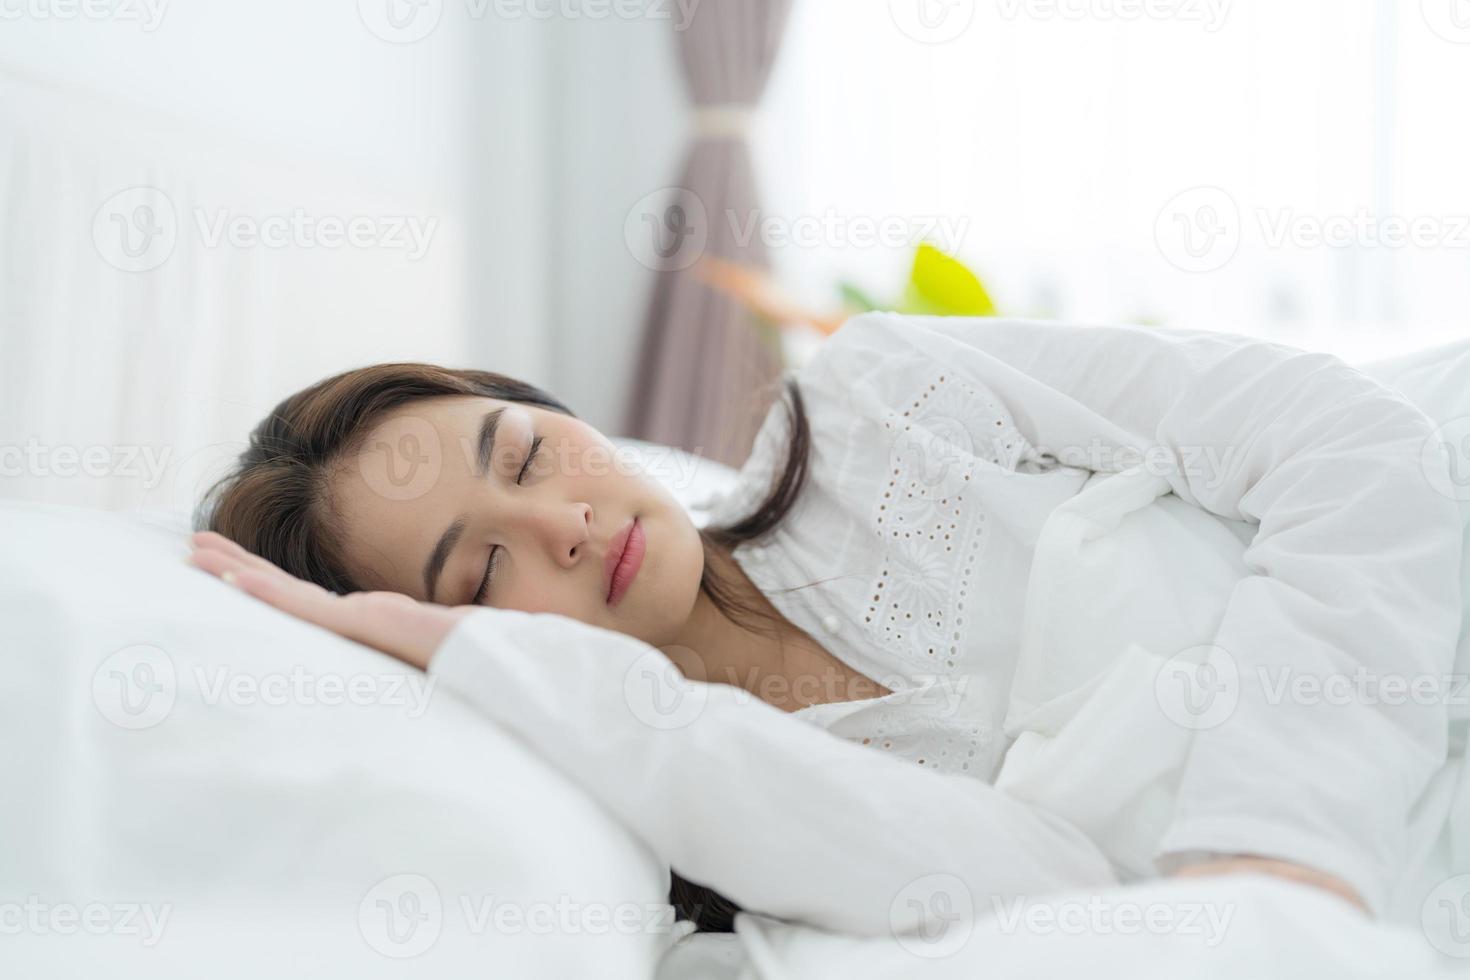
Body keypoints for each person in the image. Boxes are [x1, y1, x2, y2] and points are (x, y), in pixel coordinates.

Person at [189, 312, 1468, 938]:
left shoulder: (880, 398)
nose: (565, 524)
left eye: (525, 455)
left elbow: (1348, 437)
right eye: (480, 576)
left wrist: (1279, 844)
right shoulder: (744, 828)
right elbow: (1055, 894)